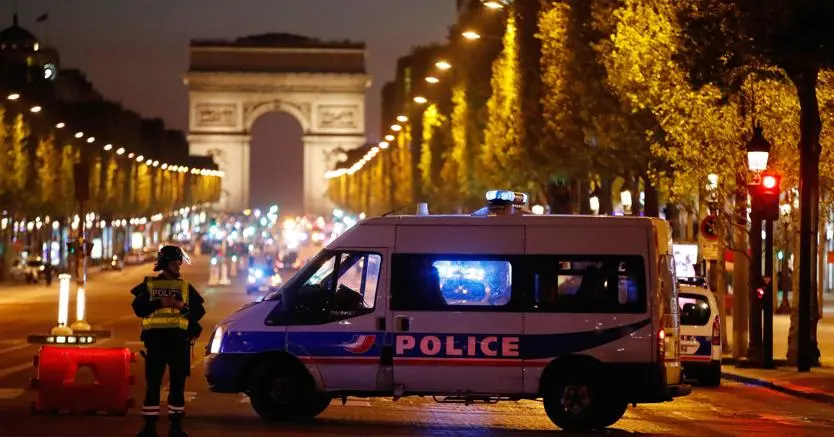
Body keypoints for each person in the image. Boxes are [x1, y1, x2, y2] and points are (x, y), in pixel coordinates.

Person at [131, 245, 205, 437]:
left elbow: (198, 313)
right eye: (174, 263)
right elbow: (139, 309)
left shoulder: (185, 287)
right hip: (156, 343)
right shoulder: (150, 286)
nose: (178, 267)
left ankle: (176, 427)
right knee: (153, 386)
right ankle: (149, 427)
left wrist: (182, 307)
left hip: (178, 343)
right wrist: (159, 303)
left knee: (177, 387)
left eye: (179, 263)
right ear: (165, 264)